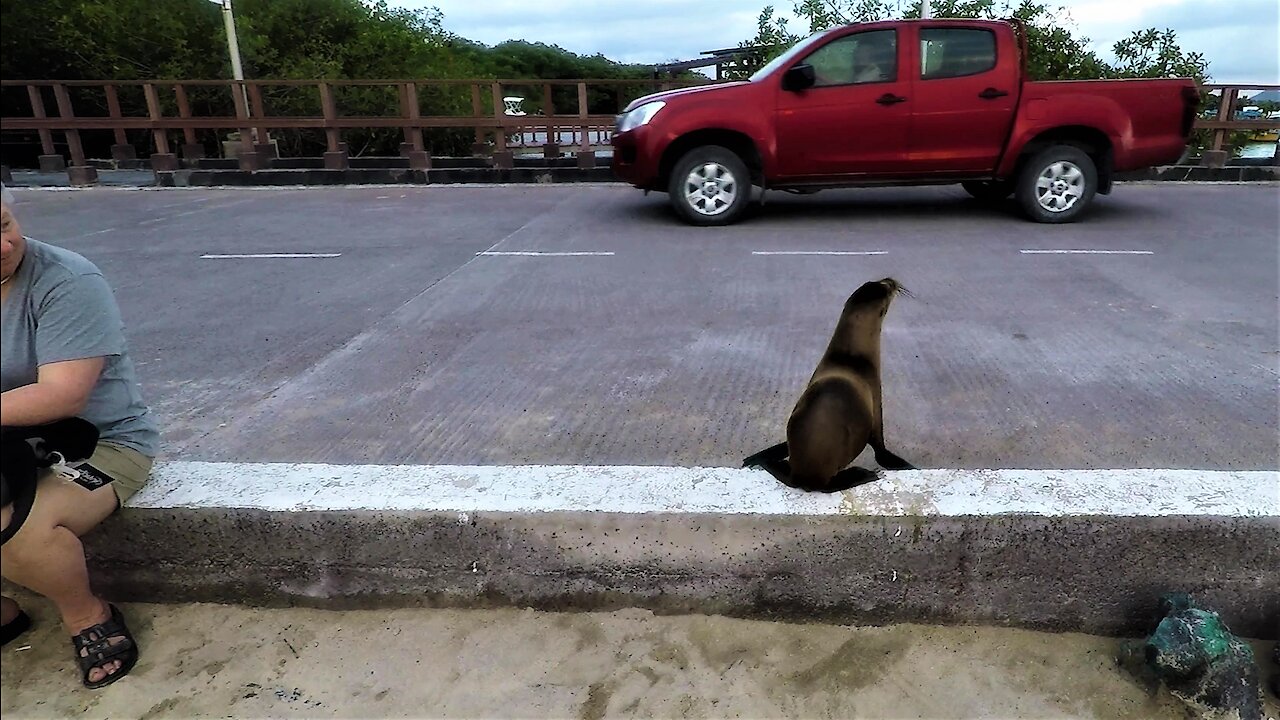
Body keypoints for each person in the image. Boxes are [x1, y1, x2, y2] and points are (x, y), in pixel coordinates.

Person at [0, 183, 159, 689]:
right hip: (7, 440)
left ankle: (86, 614)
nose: (5, 246)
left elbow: (63, 396)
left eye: (3, 225)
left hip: (97, 441)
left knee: (15, 530)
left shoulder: (65, 280)